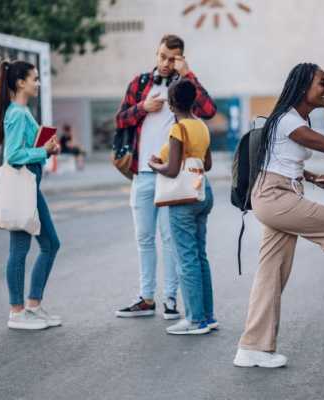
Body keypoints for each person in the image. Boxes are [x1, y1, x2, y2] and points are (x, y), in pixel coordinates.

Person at [234, 63, 324, 368]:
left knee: (271, 274)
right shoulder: (287, 120)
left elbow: (278, 161)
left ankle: (252, 347)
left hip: (280, 193)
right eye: (322, 83)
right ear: (304, 87)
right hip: (275, 197)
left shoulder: (292, 119)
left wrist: (313, 177)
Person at [114, 34, 216, 320]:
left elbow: (209, 111)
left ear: (181, 58)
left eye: (173, 58)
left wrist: (189, 73)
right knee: (144, 237)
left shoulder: (184, 87)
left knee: (171, 239)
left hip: (175, 175)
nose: (166, 63)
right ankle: (147, 298)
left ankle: (170, 300)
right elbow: (119, 120)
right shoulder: (140, 84)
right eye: (162, 57)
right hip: (143, 174)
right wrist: (141, 109)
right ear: (156, 54)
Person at [0, 60, 62, 330]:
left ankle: (32, 306)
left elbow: (25, 148)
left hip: (30, 187)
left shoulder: (20, 111)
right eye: (34, 79)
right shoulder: (18, 113)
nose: (37, 83)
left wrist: (46, 147)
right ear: (20, 82)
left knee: (50, 244)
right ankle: (17, 312)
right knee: (21, 249)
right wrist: (44, 151)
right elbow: (13, 155)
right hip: (22, 189)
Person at [148, 79, 216, 335]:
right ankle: (208, 316)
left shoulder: (178, 130)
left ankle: (195, 320)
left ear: (173, 103)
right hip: (202, 192)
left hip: (183, 198)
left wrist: (155, 166)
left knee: (186, 259)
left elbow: (172, 169)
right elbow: (206, 164)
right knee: (200, 256)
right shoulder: (201, 126)